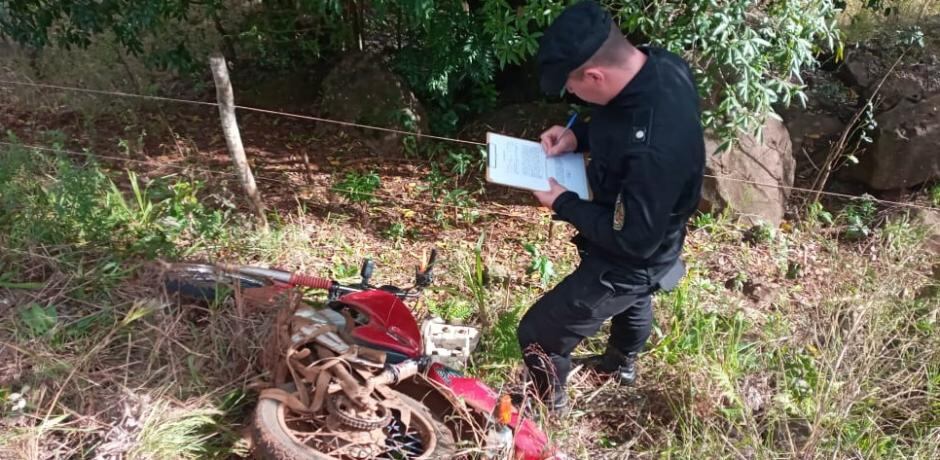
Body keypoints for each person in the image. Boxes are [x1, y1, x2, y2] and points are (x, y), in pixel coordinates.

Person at [516, 0, 705, 413]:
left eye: (572, 86)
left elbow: (633, 241)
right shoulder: (662, 65)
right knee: (638, 300)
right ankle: (620, 365)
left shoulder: (653, 148)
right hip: (656, 230)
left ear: (595, 75)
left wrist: (561, 201)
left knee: (539, 333)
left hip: (634, 252)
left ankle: (546, 407)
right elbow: (616, 117)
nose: (572, 95)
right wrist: (577, 138)